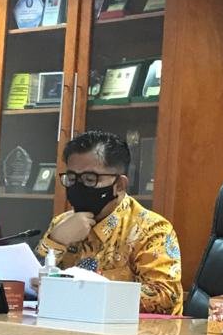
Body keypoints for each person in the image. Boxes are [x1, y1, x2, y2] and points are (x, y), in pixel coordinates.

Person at [35, 130, 183, 314]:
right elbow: (32, 282)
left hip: (129, 330)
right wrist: (56, 240)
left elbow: (165, 296)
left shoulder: (151, 229)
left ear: (119, 185)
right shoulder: (62, 223)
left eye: (90, 180)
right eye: (72, 179)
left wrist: (85, 291)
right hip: (65, 325)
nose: (79, 187)